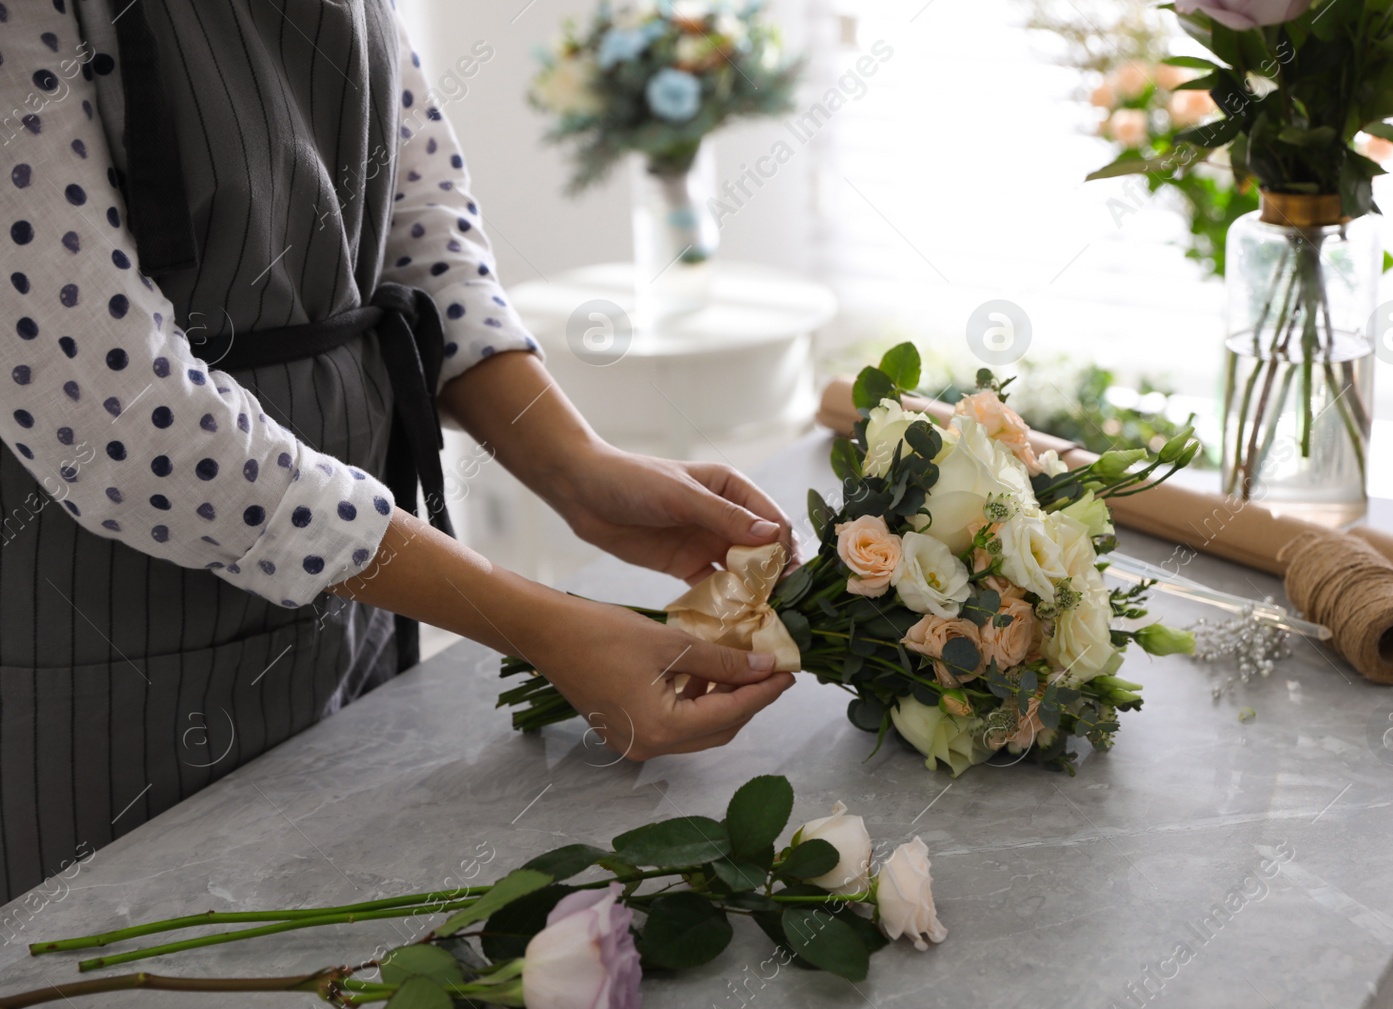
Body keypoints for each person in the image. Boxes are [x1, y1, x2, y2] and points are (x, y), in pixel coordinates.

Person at [0, 0, 797, 903]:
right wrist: (538, 623)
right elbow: (117, 413)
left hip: (359, 592)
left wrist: (574, 465)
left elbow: (418, 221)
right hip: (112, 646)